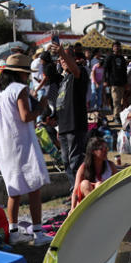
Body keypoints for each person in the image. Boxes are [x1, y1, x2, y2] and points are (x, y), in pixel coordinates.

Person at [0, 53, 52, 246]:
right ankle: (38, 232)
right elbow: (26, 116)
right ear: (21, 73)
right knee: (34, 188)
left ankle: (14, 231)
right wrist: (41, 107)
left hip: (4, 144)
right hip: (21, 143)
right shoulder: (19, 89)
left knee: (14, 190)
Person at [52, 42, 90, 185]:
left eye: (65, 58)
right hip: (64, 127)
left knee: (75, 162)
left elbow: (75, 70)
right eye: (61, 59)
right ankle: (73, 190)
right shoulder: (63, 80)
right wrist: (58, 127)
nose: (63, 61)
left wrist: (62, 52)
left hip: (75, 126)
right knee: (66, 162)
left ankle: (80, 191)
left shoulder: (80, 72)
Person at [70, 136, 121, 212]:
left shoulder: (110, 166)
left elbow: (118, 186)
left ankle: (99, 211)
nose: (105, 151)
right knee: (85, 183)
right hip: (86, 205)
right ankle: (95, 210)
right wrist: (72, 208)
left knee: (99, 185)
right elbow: (75, 191)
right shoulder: (84, 167)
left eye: (106, 148)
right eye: (101, 149)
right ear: (93, 151)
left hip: (106, 202)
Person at [103, 42, 128, 114]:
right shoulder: (109, 57)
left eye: (118, 46)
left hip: (122, 83)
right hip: (113, 82)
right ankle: (116, 116)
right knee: (116, 100)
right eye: (115, 46)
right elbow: (105, 69)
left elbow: (124, 71)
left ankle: (119, 114)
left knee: (121, 100)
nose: (117, 48)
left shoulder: (122, 58)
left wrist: (126, 83)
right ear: (113, 48)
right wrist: (105, 80)